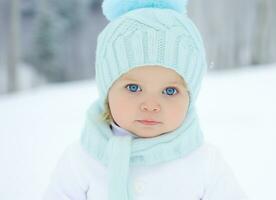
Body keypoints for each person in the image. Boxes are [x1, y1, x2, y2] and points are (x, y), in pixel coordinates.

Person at [44, 0, 248, 199]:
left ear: (190, 97)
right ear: (107, 92)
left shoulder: (205, 163)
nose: (150, 105)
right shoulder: (82, 161)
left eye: (169, 91)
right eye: (133, 88)